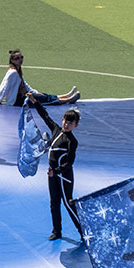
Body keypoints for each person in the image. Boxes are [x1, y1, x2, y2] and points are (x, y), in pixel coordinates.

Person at [28, 93, 84, 243]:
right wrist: (35, 102)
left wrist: (56, 171)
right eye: (66, 121)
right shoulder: (56, 130)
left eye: (71, 123)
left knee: (68, 203)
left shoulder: (72, 141)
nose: (67, 124)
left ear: (75, 125)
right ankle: (56, 231)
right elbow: (45, 116)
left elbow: (69, 163)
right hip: (52, 175)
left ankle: (83, 231)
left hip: (64, 176)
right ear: (62, 120)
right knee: (54, 203)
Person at [0, 50, 79, 106]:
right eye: (17, 58)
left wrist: (35, 92)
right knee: (43, 100)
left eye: (21, 57)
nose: (20, 60)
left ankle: (66, 95)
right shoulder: (13, 73)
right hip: (18, 101)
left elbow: (24, 84)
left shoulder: (17, 70)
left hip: (22, 96)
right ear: (12, 60)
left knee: (43, 95)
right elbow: (4, 86)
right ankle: (69, 100)